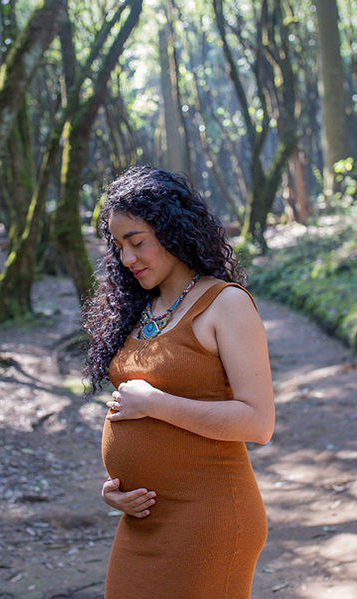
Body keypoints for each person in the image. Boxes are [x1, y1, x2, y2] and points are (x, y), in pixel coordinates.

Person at [83, 166, 275, 598]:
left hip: (208, 520)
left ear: (173, 230)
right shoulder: (140, 308)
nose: (127, 258)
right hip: (142, 520)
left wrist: (156, 404)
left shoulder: (225, 304)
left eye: (137, 242)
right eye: (119, 246)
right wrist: (115, 488)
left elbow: (258, 423)